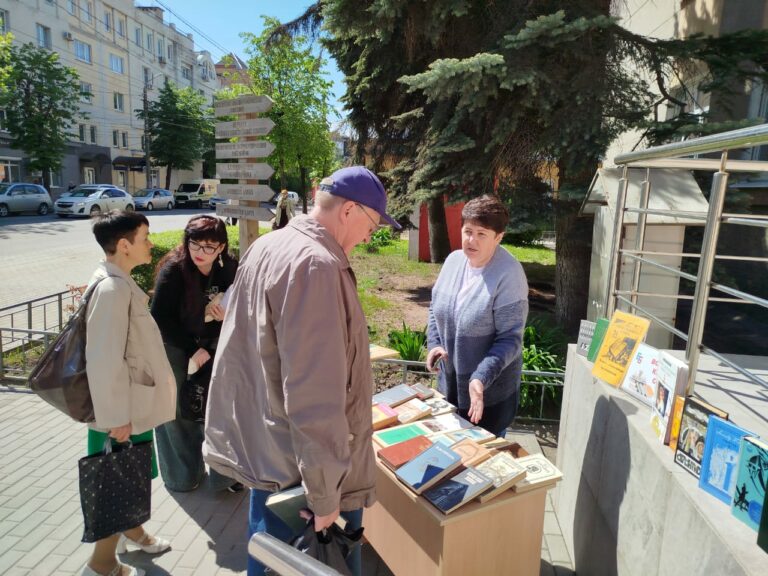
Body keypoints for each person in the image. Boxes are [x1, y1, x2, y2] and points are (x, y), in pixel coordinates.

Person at [204, 166, 400, 576]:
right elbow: (314, 393)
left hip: (269, 453)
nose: (371, 236)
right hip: (302, 473)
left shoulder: (268, 244)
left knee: (267, 556)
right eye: (372, 224)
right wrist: (325, 495)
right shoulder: (316, 265)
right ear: (349, 211)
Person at [82, 210, 176, 576]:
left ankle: (133, 533)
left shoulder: (117, 281)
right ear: (124, 245)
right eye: (145, 237)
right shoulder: (112, 289)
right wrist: (115, 418)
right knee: (117, 480)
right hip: (119, 411)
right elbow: (103, 360)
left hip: (128, 403)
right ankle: (102, 565)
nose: (151, 244)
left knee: (130, 476)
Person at [150, 215, 240, 493]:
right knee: (176, 413)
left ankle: (226, 476)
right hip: (177, 348)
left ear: (221, 247)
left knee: (219, 411)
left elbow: (243, 301)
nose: (201, 252)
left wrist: (227, 314)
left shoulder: (229, 267)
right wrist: (192, 349)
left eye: (209, 246)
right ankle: (183, 477)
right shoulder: (174, 270)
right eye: (195, 244)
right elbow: (159, 317)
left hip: (216, 346)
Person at [426, 194, 528, 438]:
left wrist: (480, 378)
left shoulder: (509, 274)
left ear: (498, 237)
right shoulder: (453, 261)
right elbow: (434, 308)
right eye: (468, 231)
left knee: (482, 458)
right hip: (450, 388)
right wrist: (434, 344)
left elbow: (510, 339)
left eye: (482, 234)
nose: (471, 240)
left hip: (487, 397)